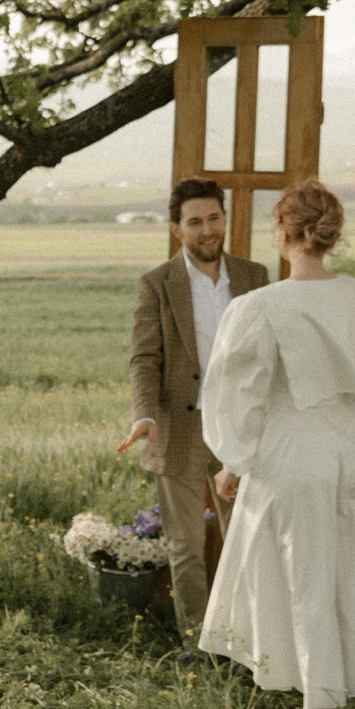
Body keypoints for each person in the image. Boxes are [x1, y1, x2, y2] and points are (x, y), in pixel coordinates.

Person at [197, 180, 355, 709]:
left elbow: (239, 392)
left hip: (292, 453)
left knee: (305, 575)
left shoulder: (261, 307)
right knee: (348, 567)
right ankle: (332, 697)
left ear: (283, 233)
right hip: (351, 448)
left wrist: (236, 456)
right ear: (330, 235)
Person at [121, 177, 271, 648]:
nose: (207, 229)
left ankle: (247, 644)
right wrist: (144, 415)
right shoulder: (156, 284)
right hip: (178, 429)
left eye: (213, 218)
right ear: (175, 229)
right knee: (186, 549)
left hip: (241, 431)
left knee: (245, 542)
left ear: (224, 220)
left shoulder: (254, 277)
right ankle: (197, 645)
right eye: (194, 222)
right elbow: (145, 358)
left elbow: (268, 355)